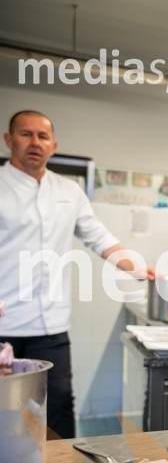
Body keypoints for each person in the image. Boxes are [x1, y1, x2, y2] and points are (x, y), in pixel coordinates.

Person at [0, 110, 154, 439]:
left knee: (57, 405)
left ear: (53, 146)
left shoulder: (68, 190)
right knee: (5, 411)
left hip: (51, 328)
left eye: (42, 136)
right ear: (9, 140)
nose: (35, 142)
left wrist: (139, 268)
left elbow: (100, 237)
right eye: (26, 134)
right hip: (4, 325)